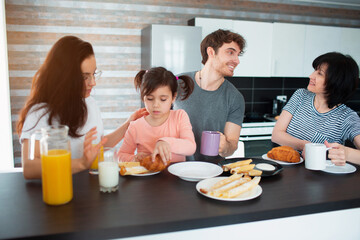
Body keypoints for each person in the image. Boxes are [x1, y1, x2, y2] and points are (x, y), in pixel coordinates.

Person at [17, 36, 147, 179]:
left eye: (93, 74)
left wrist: (129, 123)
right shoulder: (40, 113)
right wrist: (81, 163)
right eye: (84, 77)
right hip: (59, 189)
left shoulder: (90, 103)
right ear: (65, 77)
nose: (93, 83)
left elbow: (98, 146)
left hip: (89, 189)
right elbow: (29, 168)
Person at [272, 52, 360, 165]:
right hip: (283, 168)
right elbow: (276, 135)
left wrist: (346, 153)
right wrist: (306, 146)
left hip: (319, 178)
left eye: (320, 73)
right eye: (314, 71)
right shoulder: (300, 96)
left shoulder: (347, 117)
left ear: (336, 81)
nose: (311, 76)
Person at [173, 29, 246, 161]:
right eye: (230, 52)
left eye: (238, 55)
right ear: (211, 52)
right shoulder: (178, 83)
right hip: (175, 169)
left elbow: (232, 145)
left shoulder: (235, 98)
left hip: (211, 173)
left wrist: (225, 147)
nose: (236, 61)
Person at [118, 67, 196, 164]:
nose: (155, 105)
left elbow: (191, 147)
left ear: (173, 98)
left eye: (163, 99)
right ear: (143, 98)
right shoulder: (135, 126)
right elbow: (121, 155)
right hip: (148, 177)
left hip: (176, 177)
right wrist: (134, 159)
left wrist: (166, 142)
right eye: (150, 99)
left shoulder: (179, 116)